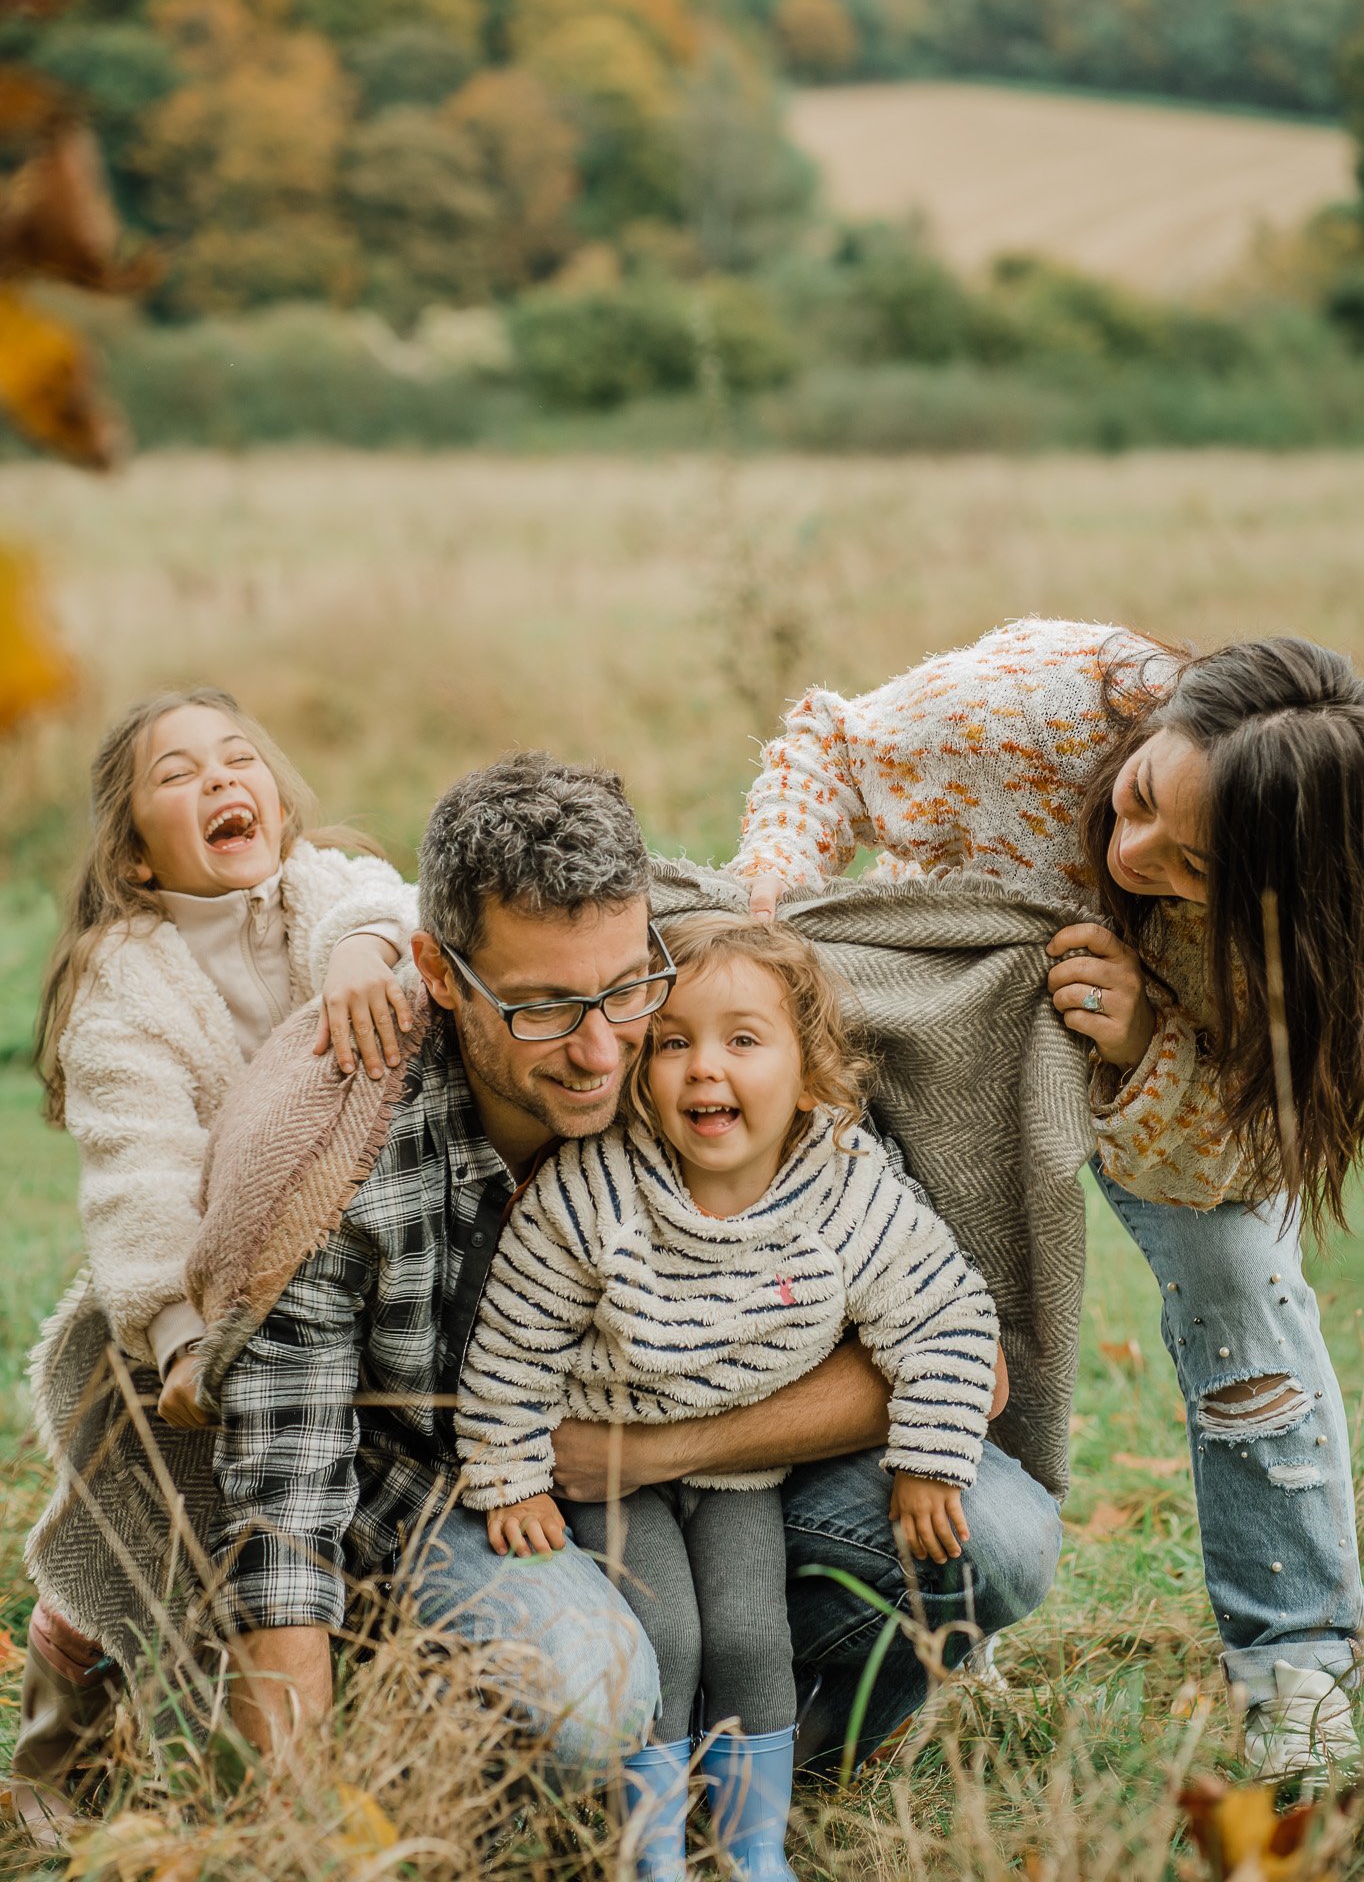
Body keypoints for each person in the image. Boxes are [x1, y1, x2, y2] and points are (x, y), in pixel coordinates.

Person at [203, 753, 1060, 1789]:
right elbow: (281, 1516)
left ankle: (752, 1769)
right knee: (591, 1694)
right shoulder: (337, 1152)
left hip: (718, 1475)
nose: (602, 1048)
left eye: (621, 989)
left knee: (1001, 1539)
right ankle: (518, 1757)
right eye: (543, 1007)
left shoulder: (712, 1036)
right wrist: (297, 1820)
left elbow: (966, 1361)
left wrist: (651, 1450)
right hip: (469, 1498)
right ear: (436, 971)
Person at [731, 615, 1364, 1778]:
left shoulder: (1330, 919)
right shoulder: (1036, 702)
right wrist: (776, 879)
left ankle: (1299, 1673)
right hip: (949, 1031)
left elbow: (1251, 1148)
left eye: (1191, 872)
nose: (1133, 862)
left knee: (1244, 1286)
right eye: (1134, 801)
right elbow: (825, 743)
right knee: (943, 1305)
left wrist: (1140, 1045)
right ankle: (935, 1598)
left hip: (1173, 1077)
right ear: (1146, 729)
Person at [455, 912, 1000, 1882]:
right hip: (606, 1474)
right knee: (664, 1633)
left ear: (807, 1071)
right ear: (639, 1067)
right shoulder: (595, 1190)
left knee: (749, 1635)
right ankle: (651, 1849)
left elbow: (945, 1311)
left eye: (742, 1039)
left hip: (745, 1475)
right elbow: (512, 1342)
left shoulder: (842, 1187)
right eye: (672, 1042)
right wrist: (509, 1478)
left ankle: (750, 1847)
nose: (703, 1067)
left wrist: (926, 1456)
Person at [10, 687, 417, 1845]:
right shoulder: (125, 985)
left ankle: (355, 1713)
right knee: (144, 1497)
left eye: (240, 761)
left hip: (349, 1274)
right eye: (178, 774)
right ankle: (63, 1723)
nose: (221, 781)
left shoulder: (325, 894)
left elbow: (394, 903)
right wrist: (183, 1331)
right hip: (182, 1298)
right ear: (135, 854)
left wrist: (360, 953)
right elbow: (138, 1177)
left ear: (279, 805)